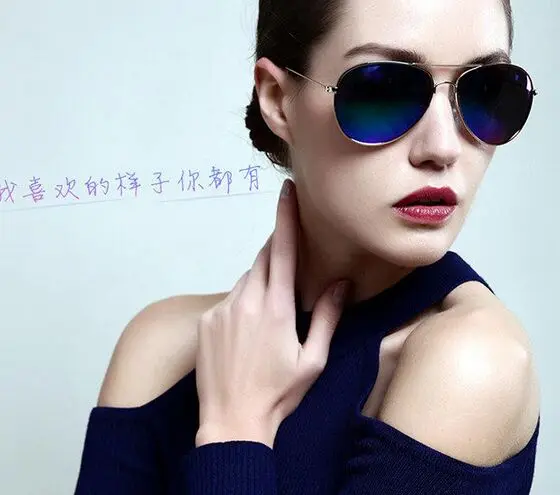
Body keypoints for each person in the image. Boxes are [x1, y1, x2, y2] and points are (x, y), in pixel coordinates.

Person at [74, 0, 541, 493]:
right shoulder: (161, 346)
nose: (443, 148)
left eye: (487, 89)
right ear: (278, 99)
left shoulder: (474, 361)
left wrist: (234, 430)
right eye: (383, 89)